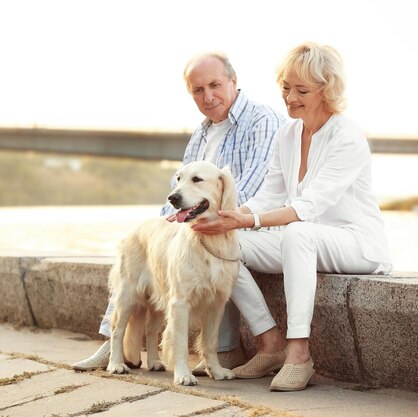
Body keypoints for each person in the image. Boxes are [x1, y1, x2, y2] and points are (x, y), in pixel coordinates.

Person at [192, 41, 393, 391]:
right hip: (304, 239)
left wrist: (246, 221)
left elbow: (308, 209)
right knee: (220, 242)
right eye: (285, 88)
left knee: (299, 231)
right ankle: (270, 342)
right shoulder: (288, 134)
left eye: (302, 90)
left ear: (326, 90)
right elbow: (268, 195)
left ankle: (299, 353)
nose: (290, 97)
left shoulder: (347, 135)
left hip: (356, 242)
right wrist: (228, 217)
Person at [72, 51, 285, 372]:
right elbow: (179, 198)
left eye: (214, 85)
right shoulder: (201, 133)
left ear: (233, 81)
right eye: (197, 90)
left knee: (222, 253)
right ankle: (113, 341)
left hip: (250, 225)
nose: (208, 96)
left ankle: (258, 346)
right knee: (145, 248)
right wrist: (162, 229)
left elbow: (254, 192)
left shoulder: (262, 120)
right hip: (202, 229)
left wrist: (210, 222)